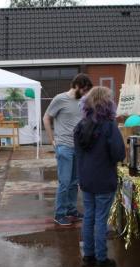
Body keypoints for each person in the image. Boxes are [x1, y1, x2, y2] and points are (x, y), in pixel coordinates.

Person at [74, 87, 125, 267]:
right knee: (100, 219)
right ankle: (101, 259)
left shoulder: (80, 125)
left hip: (86, 179)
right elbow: (119, 154)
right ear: (108, 103)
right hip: (104, 179)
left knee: (89, 216)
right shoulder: (109, 126)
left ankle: (88, 256)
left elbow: (78, 155)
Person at [43, 74, 93, 226]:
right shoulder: (60, 99)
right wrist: (52, 140)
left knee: (74, 182)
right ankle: (59, 214)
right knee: (64, 182)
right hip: (64, 146)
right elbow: (46, 118)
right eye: (84, 90)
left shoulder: (83, 102)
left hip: (79, 147)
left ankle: (71, 210)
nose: (85, 93)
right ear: (77, 85)